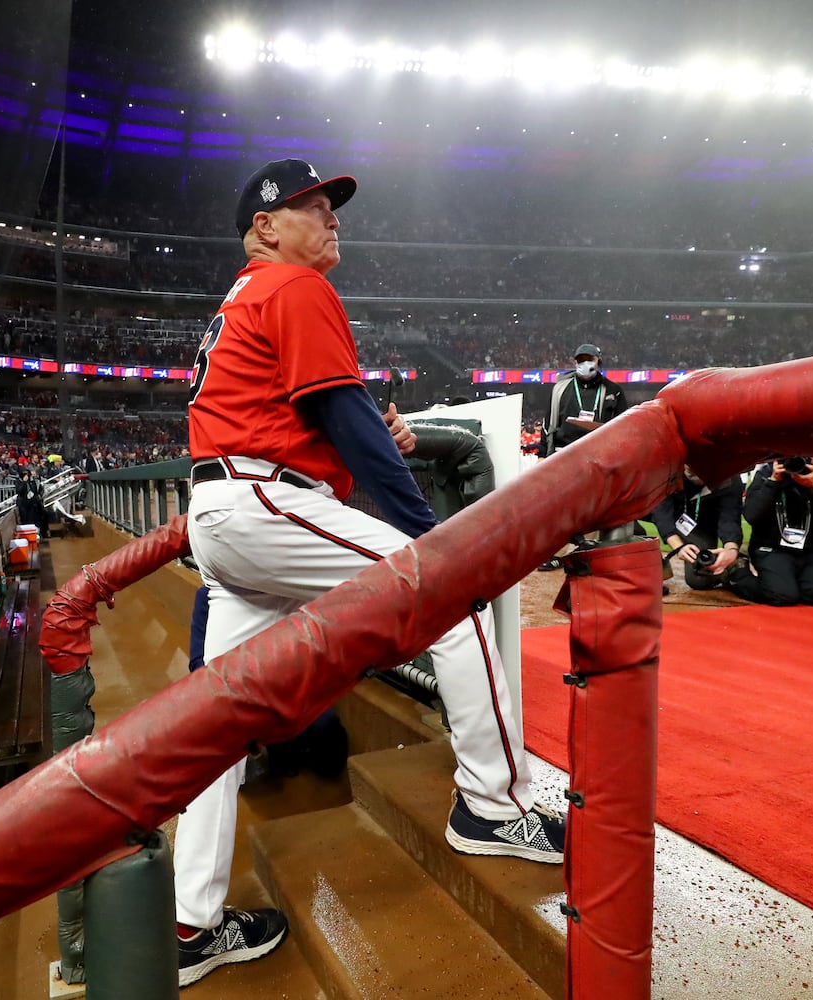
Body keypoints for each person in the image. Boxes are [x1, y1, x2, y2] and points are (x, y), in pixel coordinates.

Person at [174, 158, 564, 987]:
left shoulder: (244, 298)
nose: (331, 218)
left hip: (230, 510)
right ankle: (494, 806)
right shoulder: (291, 286)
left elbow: (316, 417)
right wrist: (429, 542)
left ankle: (188, 924)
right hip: (259, 504)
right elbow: (342, 418)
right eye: (311, 207)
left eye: (332, 207)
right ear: (264, 227)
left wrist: (361, 436)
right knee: (448, 596)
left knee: (216, 719)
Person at [537, 343, 633, 570]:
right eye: (580, 359)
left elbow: (624, 426)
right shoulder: (561, 388)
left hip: (599, 457)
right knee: (558, 510)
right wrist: (543, 455)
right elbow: (548, 424)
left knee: (599, 509)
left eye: (589, 359)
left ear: (599, 361)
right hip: (564, 455)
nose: (584, 363)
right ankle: (552, 554)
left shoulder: (613, 390)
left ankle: (596, 553)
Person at [728, 457, 813, 607]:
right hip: (772, 547)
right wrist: (773, 482)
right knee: (782, 595)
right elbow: (751, 515)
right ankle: (737, 572)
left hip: (812, 550)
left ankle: (794, 582)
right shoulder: (770, 472)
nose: (806, 461)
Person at [649, 468, 745, 590]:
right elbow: (661, 512)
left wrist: (731, 550)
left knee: (699, 579)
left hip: (700, 522)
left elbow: (730, 518)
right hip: (668, 513)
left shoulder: (730, 477)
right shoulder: (666, 470)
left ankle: (732, 569)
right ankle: (642, 573)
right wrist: (678, 546)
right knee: (626, 521)